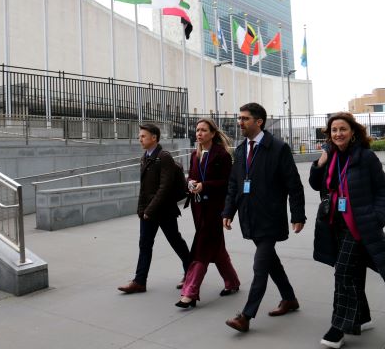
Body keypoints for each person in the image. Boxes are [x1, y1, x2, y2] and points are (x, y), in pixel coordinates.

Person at [309, 112, 385, 348]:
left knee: (343, 275)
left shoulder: (366, 157)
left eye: (342, 129)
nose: (338, 134)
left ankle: (338, 327)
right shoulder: (330, 156)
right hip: (333, 223)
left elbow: (383, 190)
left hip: (358, 225)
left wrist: (377, 218)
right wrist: (319, 163)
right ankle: (362, 317)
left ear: (353, 132)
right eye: (334, 130)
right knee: (352, 272)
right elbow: (316, 184)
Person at [223, 102, 306, 332]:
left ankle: (246, 316)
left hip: (270, 217)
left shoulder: (278, 148)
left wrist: (298, 214)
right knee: (271, 262)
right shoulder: (240, 150)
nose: (240, 122)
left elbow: (294, 184)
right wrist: (228, 211)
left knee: (260, 266)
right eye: (239, 118)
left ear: (258, 122)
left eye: (244, 118)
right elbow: (234, 184)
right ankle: (289, 299)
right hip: (250, 216)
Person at [175, 118, 240, 308]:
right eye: (197, 130)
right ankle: (232, 282)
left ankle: (190, 292)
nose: (199, 133)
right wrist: (191, 183)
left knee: (201, 247)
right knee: (216, 248)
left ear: (212, 133)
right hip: (198, 208)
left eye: (203, 130)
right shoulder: (195, 154)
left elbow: (228, 183)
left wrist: (205, 185)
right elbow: (193, 175)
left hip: (215, 209)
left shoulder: (222, 155)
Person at [118, 123, 190, 294]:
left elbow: (165, 187)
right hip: (149, 211)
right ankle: (139, 281)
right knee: (145, 244)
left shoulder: (163, 157)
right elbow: (144, 188)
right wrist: (141, 209)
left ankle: (191, 273)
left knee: (175, 241)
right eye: (139, 136)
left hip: (164, 211)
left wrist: (150, 210)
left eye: (143, 136)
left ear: (154, 138)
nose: (140, 139)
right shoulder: (145, 157)